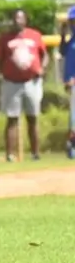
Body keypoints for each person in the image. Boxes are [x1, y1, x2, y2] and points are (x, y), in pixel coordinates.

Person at [0, 9, 47, 161]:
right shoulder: (5, 38)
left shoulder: (35, 35)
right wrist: (1, 72)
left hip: (32, 82)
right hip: (12, 83)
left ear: (25, 20)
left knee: (32, 118)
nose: (17, 21)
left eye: (20, 18)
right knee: (12, 119)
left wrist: (42, 68)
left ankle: (35, 153)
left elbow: (44, 55)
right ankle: (10, 155)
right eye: (15, 18)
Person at [61, 8, 75, 159]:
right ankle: (72, 147)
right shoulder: (71, 39)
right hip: (71, 84)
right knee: (72, 118)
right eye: (71, 21)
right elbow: (62, 51)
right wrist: (62, 35)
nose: (72, 24)